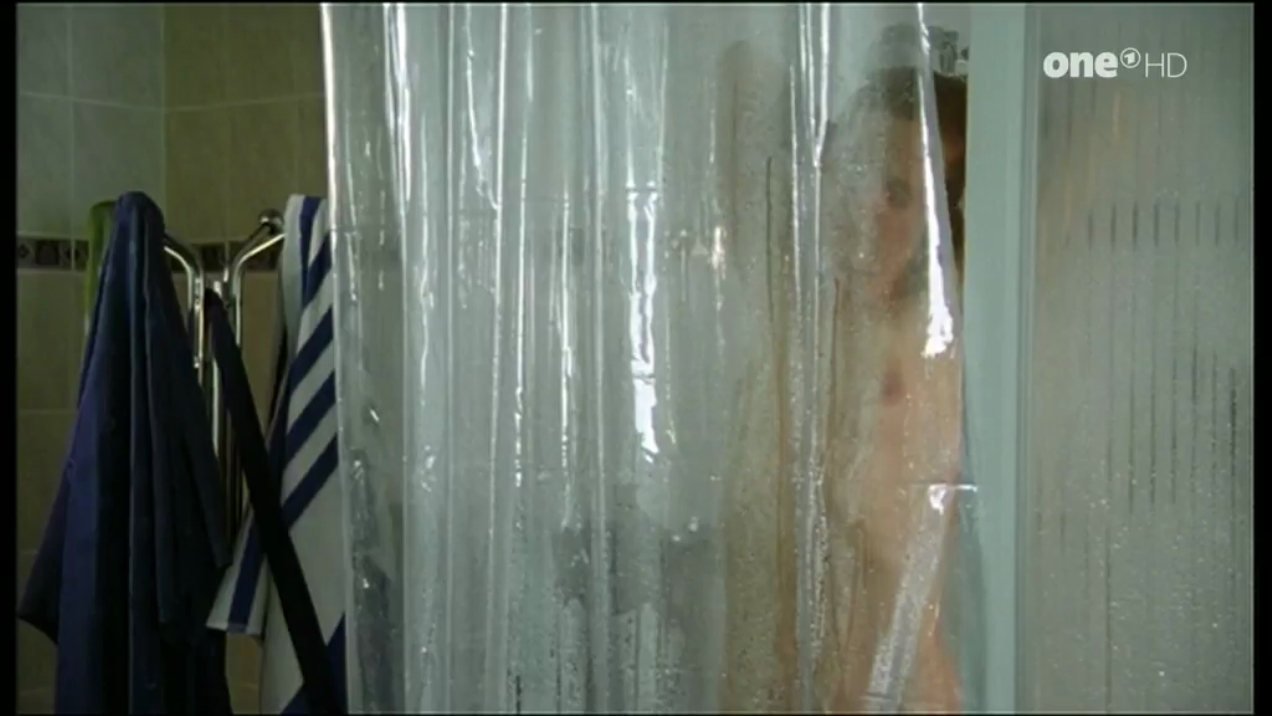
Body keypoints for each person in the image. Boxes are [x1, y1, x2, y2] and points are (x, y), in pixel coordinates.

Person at [720, 63, 968, 713]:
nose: (868, 209)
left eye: (900, 194)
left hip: (892, 681)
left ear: (940, 224)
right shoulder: (794, 299)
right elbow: (735, 73)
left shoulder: (929, 331)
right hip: (780, 676)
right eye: (860, 173)